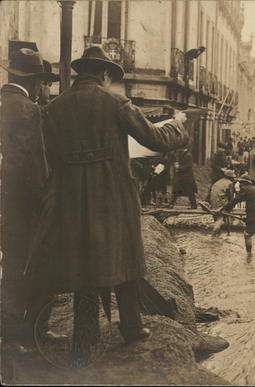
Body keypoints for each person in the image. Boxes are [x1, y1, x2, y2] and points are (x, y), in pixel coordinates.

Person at [34, 47, 190, 355]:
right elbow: (155, 140)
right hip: (113, 195)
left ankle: (86, 334)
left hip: (71, 197)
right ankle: (131, 326)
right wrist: (178, 124)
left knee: (84, 262)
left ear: (82, 73)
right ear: (105, 74)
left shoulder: (55, 107)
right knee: (126, 254)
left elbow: (50, 157)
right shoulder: (118, 103)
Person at [0, 48, 60, 350]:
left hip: (6, 204)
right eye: (42, 82)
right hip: (26, 206)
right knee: (32, 266)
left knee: (11, 266)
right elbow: (32, 164)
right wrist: (45, 200)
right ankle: (23, 335)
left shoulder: (2, 103)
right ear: (35, 81)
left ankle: (14, 335)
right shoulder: (27, 109)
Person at [209, 169, 236, 237]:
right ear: (231, 177)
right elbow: (231, 197)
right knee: (220, 218)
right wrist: (231, 207)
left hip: (213, 203)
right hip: (220, 204)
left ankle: (218, 234)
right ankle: (213, 235)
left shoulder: (217, 182)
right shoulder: (230, 183)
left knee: (217, 217)